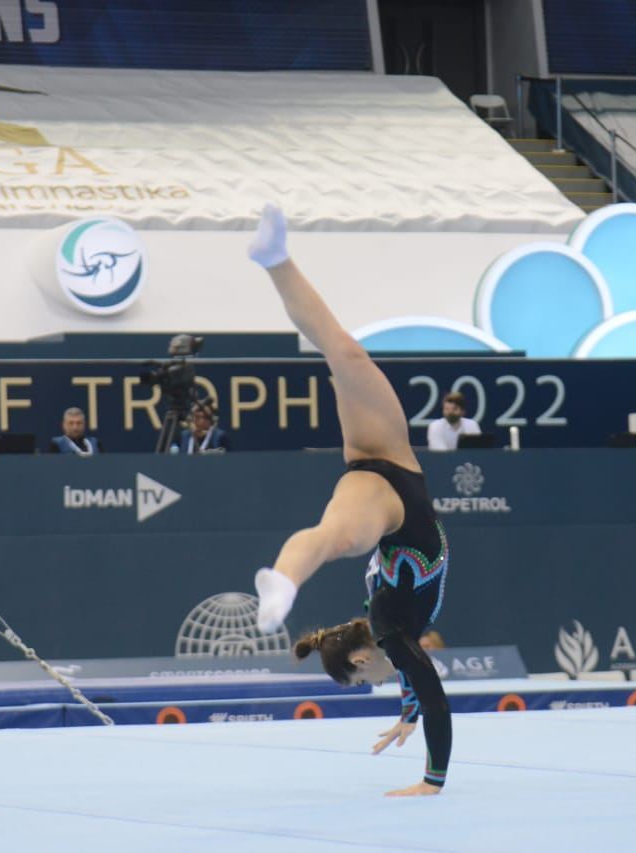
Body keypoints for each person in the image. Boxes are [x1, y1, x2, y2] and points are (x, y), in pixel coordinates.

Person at [247, 204, 451, 798]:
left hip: (384, 494)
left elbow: (426, 688)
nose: (377, 684)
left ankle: (275, 259)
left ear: (361, 661)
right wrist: (411, 716)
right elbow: (422, 687)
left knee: (346, 353)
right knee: (347, 358)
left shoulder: (388, 632)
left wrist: (432, 781)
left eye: (364, 683)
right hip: (398, 477)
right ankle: (283, 585)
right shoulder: (388, 635)